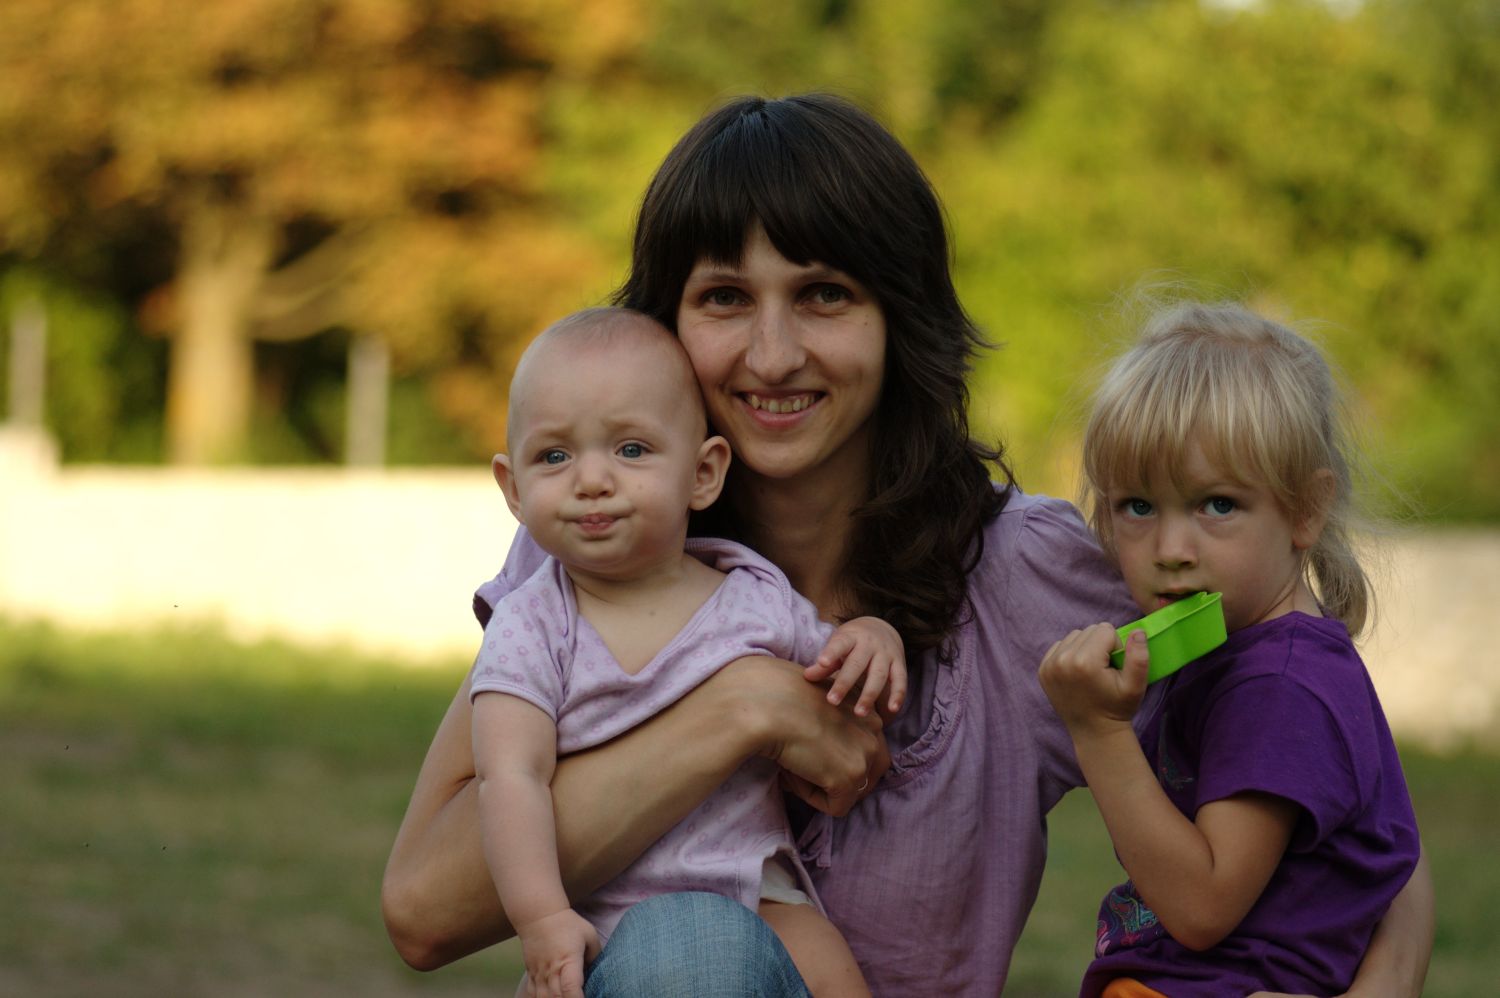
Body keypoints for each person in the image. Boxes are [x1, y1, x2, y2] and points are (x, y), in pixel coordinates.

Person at [382, 93, 1434, 996]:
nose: (772, 354)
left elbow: (1336, 780)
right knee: (685, 944)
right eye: (725, 298)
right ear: (666, 325)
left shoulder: (1026, 576)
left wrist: (1379, 983)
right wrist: (747, 707)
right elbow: (423, 910)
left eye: (824, 294)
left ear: (899, 318)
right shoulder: (595, 553)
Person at [471, 306, 899, 997]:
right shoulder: (531, 626)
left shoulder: (751, 597)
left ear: (703, 473)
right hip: (594, 911)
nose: (591, 480)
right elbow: (509, 778)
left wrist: (874, 636)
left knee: (833, 974)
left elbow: (838, 687)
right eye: (554, 456)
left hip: (756, 890)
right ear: (514, 490)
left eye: (631, 450)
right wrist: (542, 917)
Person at [1039, 302, 1421, 998]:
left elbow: (1201, 908)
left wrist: (1098, 732)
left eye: (1216, 505)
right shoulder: (1252, 653)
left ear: (1306, 510)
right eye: (1137, 506)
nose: (1171, 549)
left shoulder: (1278, 685)